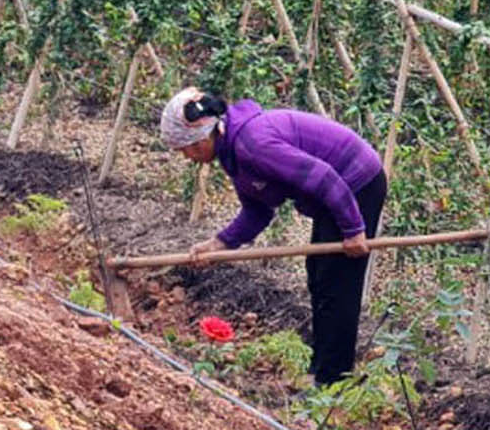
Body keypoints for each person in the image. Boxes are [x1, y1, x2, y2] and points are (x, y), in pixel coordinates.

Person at [160, 87, 386, 386]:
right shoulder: (234, 152)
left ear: (203, 138)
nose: (187, 157)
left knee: (337, 283)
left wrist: (354, 229)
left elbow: (323, 177)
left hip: (356, 181)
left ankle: (334, 383)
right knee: (318, 275)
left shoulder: (253, 145)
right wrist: (219, 243)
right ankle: (321, 369)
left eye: (185, 149)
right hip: (334, 193)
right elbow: (258, 211)